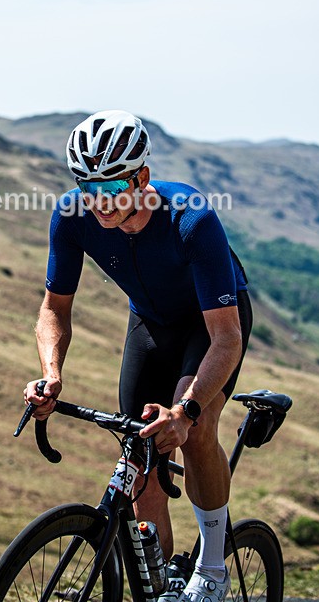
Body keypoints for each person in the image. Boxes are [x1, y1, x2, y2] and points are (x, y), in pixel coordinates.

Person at [24, 109, 252, 602]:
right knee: (138, 450)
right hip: (150, 323)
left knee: (193, 433)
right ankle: (164, 580)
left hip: (210, 326)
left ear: (142, 177)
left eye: (111, 189)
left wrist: (187, 410)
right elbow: (53, 310)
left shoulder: (191, 216)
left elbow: (227, 338)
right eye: (88, 187)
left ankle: (213, 569)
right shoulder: (73, 215)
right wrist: (50, 374)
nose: (98, 202)